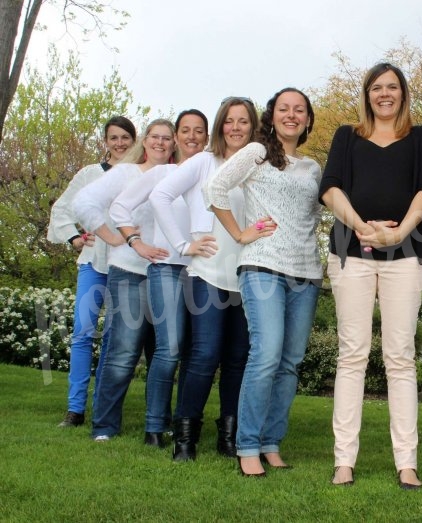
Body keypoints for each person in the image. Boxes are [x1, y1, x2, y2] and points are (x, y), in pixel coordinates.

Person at [320, 63, 422, 490]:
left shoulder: (421, 136)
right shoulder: (346, 136)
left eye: (392, 87)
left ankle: (407, 462)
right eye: (376, 88)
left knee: (400, 358)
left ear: (403, 93)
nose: (384, 94)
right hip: (352, 254)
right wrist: (362, 228)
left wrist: (397, 233)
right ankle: (343, 461)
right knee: (352, 356)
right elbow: (330, 187)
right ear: (367, 94)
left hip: (406, 256)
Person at [205, 87, 321, 478]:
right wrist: (240, 234)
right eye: (284, 109)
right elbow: (215, 188)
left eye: (299, 110)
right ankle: (248, 444)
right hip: (263, 267)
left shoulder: (313, 168)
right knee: (266, 354)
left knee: (290, 363)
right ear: (272, 117)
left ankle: (272, 441)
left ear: (307, 119)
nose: (292, 115)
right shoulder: (256, 153)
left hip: (306, 273)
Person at [150, 97, 257, 461]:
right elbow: (160, 195)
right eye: (230, 121)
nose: (236, 128)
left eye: (244, 121)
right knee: (204, 354)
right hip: (207, 271)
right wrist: (183, 245)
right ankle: (185, 439)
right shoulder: (203, 162)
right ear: (220, 125)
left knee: (238, 357)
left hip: (247, 274)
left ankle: (228, 437)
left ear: (253, 126)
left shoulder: (258, 166)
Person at [109, 110, 210, 447]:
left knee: (195, 352)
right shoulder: (163, 173)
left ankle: (181, 421)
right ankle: (154, 427)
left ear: (207, 137)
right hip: (167, 268)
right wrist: (136, 243)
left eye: (199, 131)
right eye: (185, 131)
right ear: (176, 138)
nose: (192, 137)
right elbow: (119, 208)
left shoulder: (211, 174)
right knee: (170, 348)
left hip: (203, 271)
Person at [74, 119, 176, 441]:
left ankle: (159, 424)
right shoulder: (126, 173)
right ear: (144, 141)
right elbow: (83, 203)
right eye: (154, 137)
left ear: (174, 144)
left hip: (170, 275)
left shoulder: (178, 176)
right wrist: (113, 237)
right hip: (130, 272)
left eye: (166, 138)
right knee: (122, 352)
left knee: (165, 353)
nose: (160, 143)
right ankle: (104, 426)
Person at [47, 116, 137, 427]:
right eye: (114, 137)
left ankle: (103, 406)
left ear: (134, 139)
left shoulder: (140, 174)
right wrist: (74, 237)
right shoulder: (89, 175)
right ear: (105, 141)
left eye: (125, 137)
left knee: (114, 338)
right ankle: (75, 409)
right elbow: (62, 208)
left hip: (126, 264)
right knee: (83, 332)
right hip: (93, 261)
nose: (120, 143)